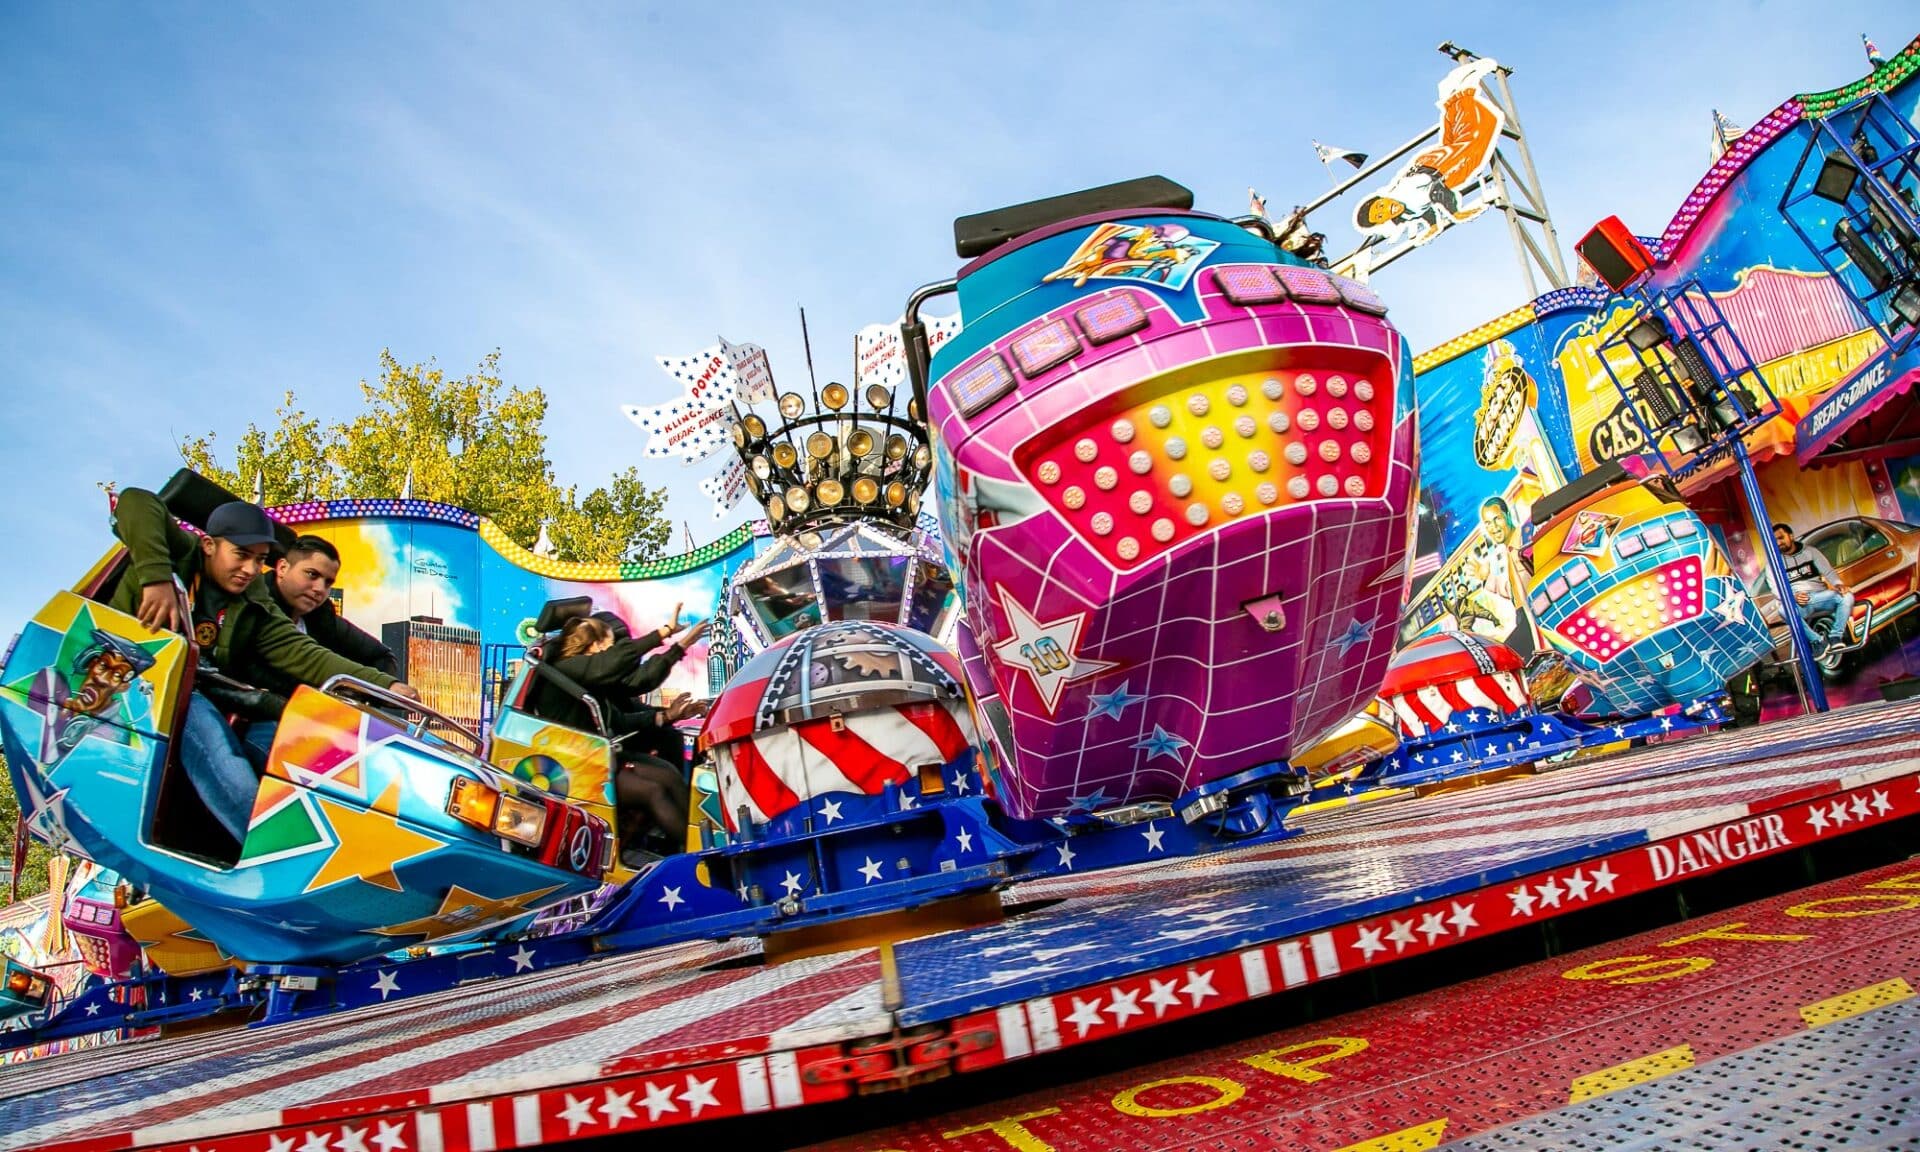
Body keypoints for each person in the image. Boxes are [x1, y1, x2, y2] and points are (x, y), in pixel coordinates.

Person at [108, 488, 416, 847]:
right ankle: (275, 856)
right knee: (225, 759)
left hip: (190, 694)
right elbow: (135, 500)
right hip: (123, 675)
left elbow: (303, 653)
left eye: (259, 560)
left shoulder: (256, 601)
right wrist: (156, 578)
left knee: (302, 749)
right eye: (241, 555)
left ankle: (352, 842)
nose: (250, 569)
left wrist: (384, 686)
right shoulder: (181, 554)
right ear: (209, 545)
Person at [526, 610, 708, 864]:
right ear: (593, 646)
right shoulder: (564, 670)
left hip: (598, 759)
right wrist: (667, 635)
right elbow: (616, 662)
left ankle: (701, 842)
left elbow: (621, 714)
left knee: (668, 774)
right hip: (578, 768)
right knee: (653, 790)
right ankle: (697, 860)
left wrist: (664, 716)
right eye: (609, 645)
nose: (614, 651)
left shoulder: (590, 683)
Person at [242, 535, 400, 760]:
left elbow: (382, 656)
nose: (319, 588)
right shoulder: (253, 606)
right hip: (255, 719)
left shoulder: (323, 618)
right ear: (283, 567)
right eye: (312, 575)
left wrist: (351, 699)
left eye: (328, 582)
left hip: (311, 723)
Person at [1772, 523, 1855, 656]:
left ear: (1791, 536)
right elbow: (1775, 589)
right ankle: (1818, 641)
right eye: (1775, 540)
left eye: (1781, 537)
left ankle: (1835, 637)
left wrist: (1838, 584)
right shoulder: (1774, 562)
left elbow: (1828, 572)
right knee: (1784, 610)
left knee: (1847, 596)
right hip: (1799, 603)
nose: (1779, 542)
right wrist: (1791, 598)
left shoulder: (1810, 551)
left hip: (1820, 597)